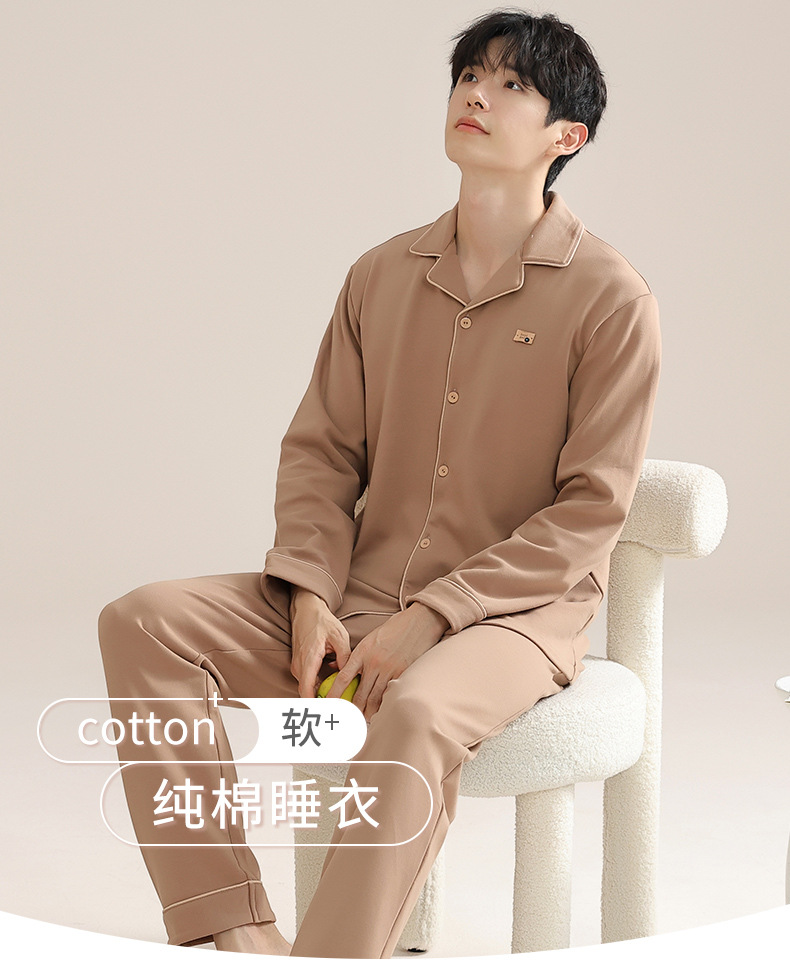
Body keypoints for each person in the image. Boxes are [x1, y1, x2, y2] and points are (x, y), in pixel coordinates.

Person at [97, 7, 661, 958]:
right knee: (142, 622)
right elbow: (323, 451)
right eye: (469, 76)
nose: (477, 94)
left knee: (419, 710)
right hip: (360, 589)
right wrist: (311, 590)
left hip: (513, 618)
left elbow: (591, 509)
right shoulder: (379, 276)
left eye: (512, 85)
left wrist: (434, 615)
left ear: (567, 138)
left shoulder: (612, 298)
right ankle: (233, 929)